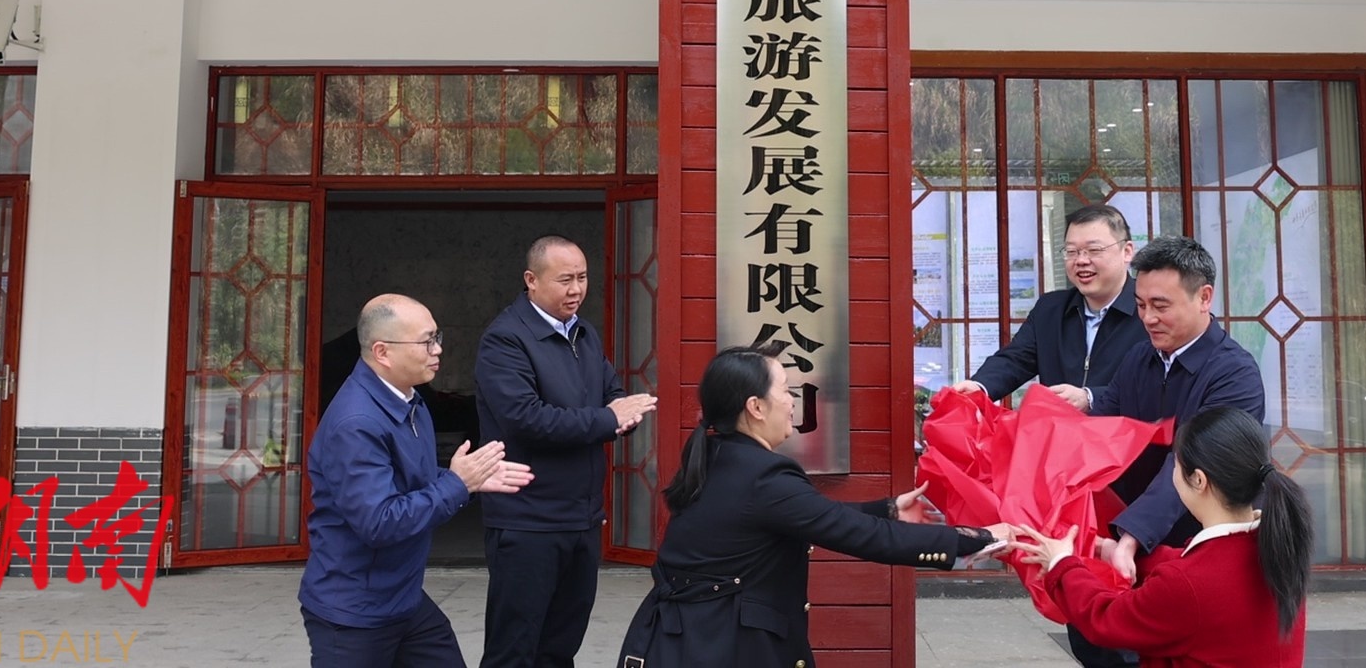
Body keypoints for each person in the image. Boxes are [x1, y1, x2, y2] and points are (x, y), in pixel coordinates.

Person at [619, 343, 1014, 668]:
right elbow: (861, 536)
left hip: (685, 639)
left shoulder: (721, 455)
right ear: (756, 407)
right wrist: (975, 538)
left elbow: (812, 518)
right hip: (720, 646)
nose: (793, 401)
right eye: (785, 390)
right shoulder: (763, 476)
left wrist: (889, 508)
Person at [300, 294, 534, 668]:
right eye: (426, 341)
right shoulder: (356, 424)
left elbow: (409, 482)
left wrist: (468, 480)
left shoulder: (409, 401)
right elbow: (379, 521)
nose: (437, 349)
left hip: (403, 598)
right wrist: (458, 484)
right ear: (383, 352)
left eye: (437, 337)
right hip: (354, 612)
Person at [1075, 235, 1268, 667]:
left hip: (1200, 551)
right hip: (1133, 545)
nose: (1148, 318)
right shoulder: (1139, 359)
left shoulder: (1234, 374)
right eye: (1140, 305)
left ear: (1204, 298)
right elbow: (1102, 430)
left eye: (1161, 305)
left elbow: (1187, 463)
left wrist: (1131, 536)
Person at [1006, 405, 1312, 667]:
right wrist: (1112, 550)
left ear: (1199, 480)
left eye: (1175, 465)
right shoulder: (1277, 547)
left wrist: (1062, 564)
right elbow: (1192, 565)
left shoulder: (1188, 584)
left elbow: (1106, 620)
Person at [475, 236, 656, 668]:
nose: (576, 290)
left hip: (582, 517)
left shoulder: (583, 332)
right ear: (531, 280)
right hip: (528, 520)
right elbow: (527, 419)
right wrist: (608, 419)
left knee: (561, 646)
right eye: (565, 280)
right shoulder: (505, 340)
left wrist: (622, 414)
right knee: (514, 650)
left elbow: (611, 392)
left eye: (583, 278)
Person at [955, 204, 1148, 412]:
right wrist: (980, 387)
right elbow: (1016, 359)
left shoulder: (1150, 312)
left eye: (1094, 250)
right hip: (1058, 431)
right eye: (1071, 251)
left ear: (1127, 252)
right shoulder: (1050, 309)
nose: (1081, 260)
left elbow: (1158, 384)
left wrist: (1091, 397)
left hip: (1129, 431)